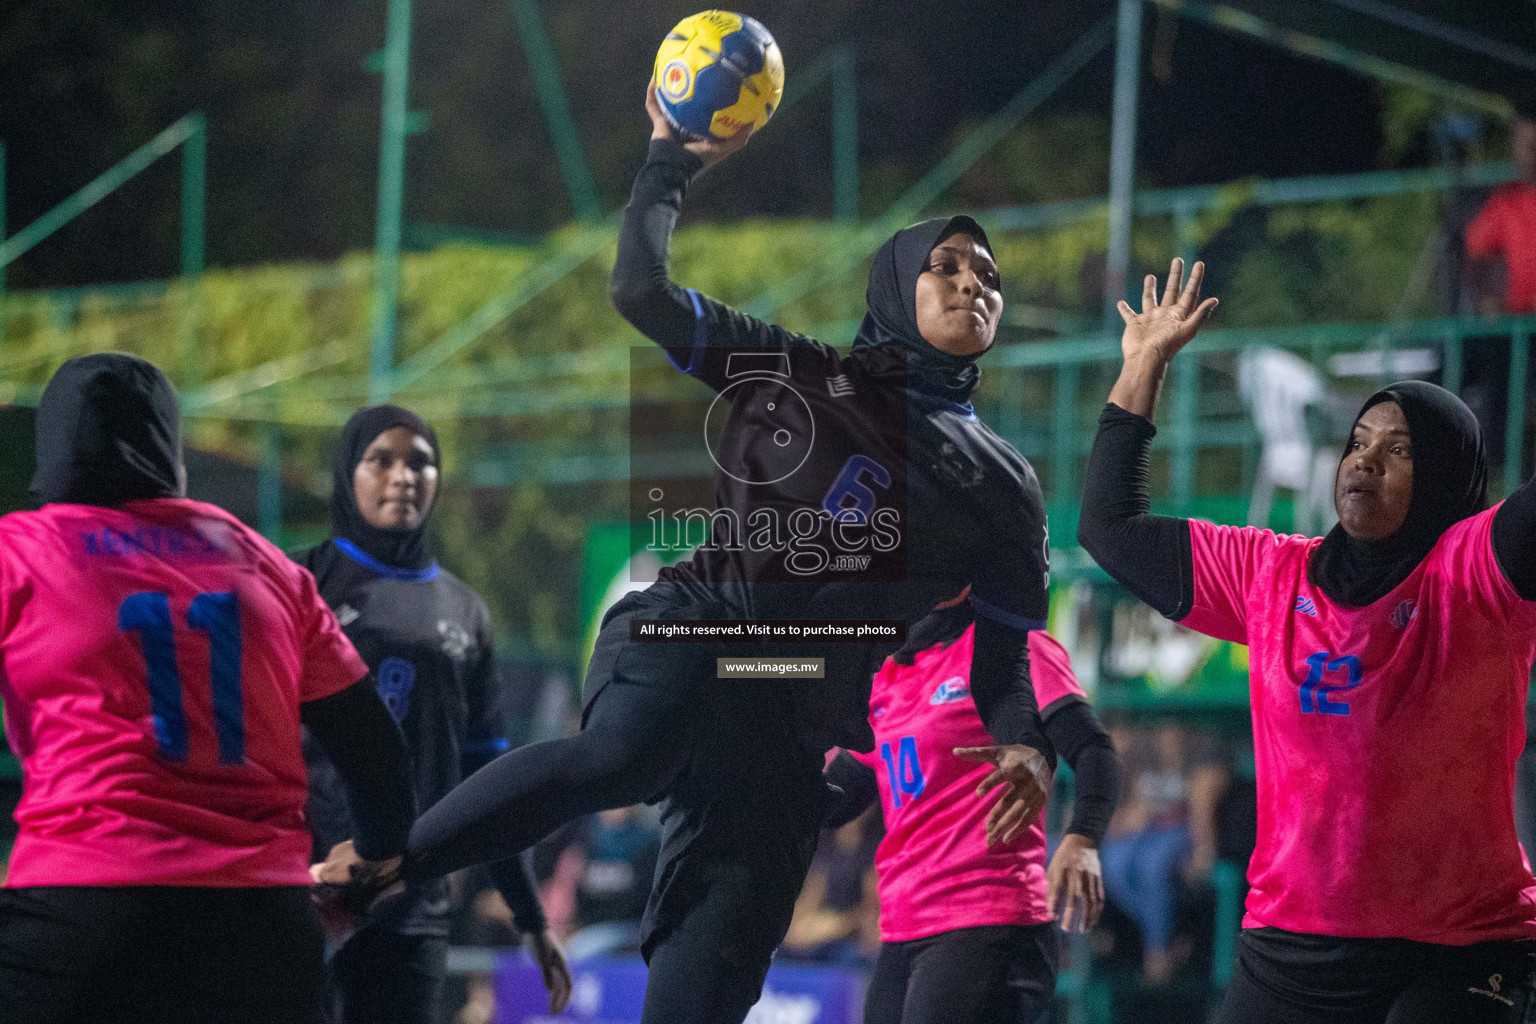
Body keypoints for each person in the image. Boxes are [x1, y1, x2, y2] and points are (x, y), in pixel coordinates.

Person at [349, 82, 1061, 1024]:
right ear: (894, 285)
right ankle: (380, 866)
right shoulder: (806, 372)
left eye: (990, 277)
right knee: (621, 756)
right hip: (698, 627)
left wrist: (1025, 741)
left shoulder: (1004, 487)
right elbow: (639, 290)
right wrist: (666, 161)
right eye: (948, 267)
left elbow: (1003, 657)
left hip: (792, 712)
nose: (976, 283)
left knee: (713, 972)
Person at [1078, 258, 1536, 1022]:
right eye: (1359, 440)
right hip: (1293, 948)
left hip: (1461, 949)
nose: (1365, 459)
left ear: (1449, 477)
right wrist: (1144, 365)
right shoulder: (1270, 575)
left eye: (1400, 450)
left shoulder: (1477, 569)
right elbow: (1109, 527)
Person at [0, 353, 416, 1024]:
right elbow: (379, 759)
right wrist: (362, 876)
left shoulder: (17, 551)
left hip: (83, 909)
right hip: (262, 930)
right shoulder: (270, 566)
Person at [296, 405, 570, 1023]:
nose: (404, 476)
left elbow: (488, 780)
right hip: (300, 891)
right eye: (381, 460)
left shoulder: (465, 612)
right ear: (348, 473)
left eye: (421, 461)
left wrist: (531, 919)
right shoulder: (299, 581)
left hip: (409, 907)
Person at [824, 595, 1120, 1024]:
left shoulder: (1013, 646)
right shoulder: (888, 673)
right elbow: (835, 800)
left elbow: (1092, 748)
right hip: (903, 929)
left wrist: (1083, 837)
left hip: (988, 918)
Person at [1466, 116, 1536, 316]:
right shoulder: (1505, 201)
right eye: (1525, 146)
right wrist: (1486, 299)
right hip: (1521, 323)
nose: (1530, 155)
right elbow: (1473, 254)